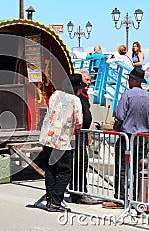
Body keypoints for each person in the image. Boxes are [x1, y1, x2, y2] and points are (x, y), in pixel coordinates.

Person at [102, 67, 149, 209]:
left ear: (133, 80)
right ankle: (139, 199)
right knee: (140, 169)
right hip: (142, 137)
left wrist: (116, 126)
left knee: (122, 168)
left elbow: (120, 116)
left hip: (127, 137)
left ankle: (121, 198)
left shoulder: (127, 95)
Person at [39, 76, 84, 212]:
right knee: (65, 171)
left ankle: (49, 199)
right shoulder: (75, 100)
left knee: (50, 169)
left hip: (48, 138)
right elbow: (78, 122)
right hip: (63, 140)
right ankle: (56, 201)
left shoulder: (55, 95)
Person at [69, 73, 98, 205]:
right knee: (79, 165)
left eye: (90, 80)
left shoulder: (85, 97)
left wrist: (88, 135)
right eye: (86, 80)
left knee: (81, 164)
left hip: (82, 135)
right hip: (76, 135)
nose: (89, 82)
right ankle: (79, 193)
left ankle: (77, 192)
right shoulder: (76, 97)